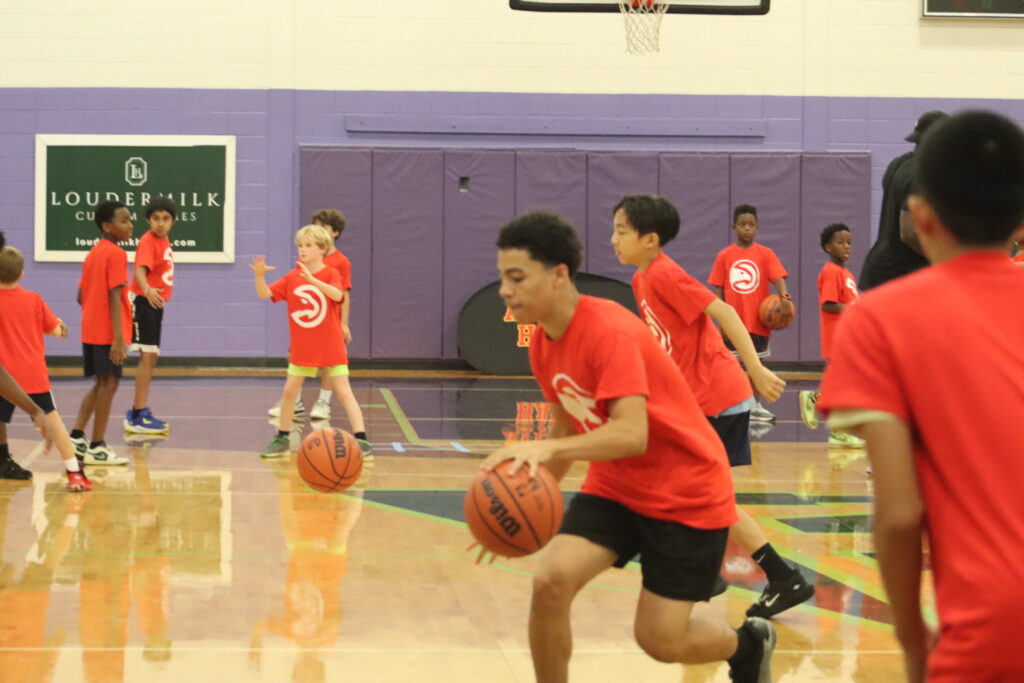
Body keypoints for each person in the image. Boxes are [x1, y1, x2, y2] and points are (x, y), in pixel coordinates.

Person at [483, 211, 776, 683]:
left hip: (688, 491)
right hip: (618, 486)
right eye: (502, 278)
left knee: (660, 641)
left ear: (559, 275)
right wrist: (523, 510)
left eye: (516, 278)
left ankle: (747, 643)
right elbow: (564, 433)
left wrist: (545, 454)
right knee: (550, 581)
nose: (504, 290)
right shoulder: (543, 344)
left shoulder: (608, 330)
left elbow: (630, 433)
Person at [818, 111, 1024, 683]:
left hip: (997, 630)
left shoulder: (880, 321)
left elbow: (901, 513)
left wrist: (912, 639)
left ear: (920, 214)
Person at [612, 195, 814, 619]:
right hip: (696, 401)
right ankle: (763, 576)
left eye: (621, 231)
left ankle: (739, 574)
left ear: (650, 240)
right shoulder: (639, 280)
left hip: (718, 398)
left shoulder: (665, 274)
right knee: (699, 494)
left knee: (690, 491)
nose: (613, 239)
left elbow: (722, 310)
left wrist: (755, 368)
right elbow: (665, 346)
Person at [252, 224, 369, 457]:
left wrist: (312, 280)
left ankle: (362, 440)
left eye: (308, 245)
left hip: (330, 344)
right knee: (289, 392)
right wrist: (259, 276)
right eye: (300, 246)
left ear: (323, 249)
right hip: (304, 346)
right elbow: (265, 293)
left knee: (344, 392)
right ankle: (283, 437)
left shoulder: (331, 274)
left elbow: (337, 295)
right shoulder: (292, 277)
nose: (302, 250)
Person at [0, 235, 90, 490]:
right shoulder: (33, 299)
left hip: (4, 377)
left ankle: (2, 458)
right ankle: (74, 471)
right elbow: (56, 330)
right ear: (22, 274)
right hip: (33, 374)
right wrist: (60, 327)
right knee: (53, 420)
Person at [708, 204, 790, 422]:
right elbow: (718, 290)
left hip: (758, 323)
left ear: (757, 228)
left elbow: (779, 278)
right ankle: (729, 406)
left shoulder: (765, 254)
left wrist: (785, 299)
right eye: (742, 225)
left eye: (751, 225)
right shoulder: (724, 256)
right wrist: (722, 321)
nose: (747, 229)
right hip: (733, 323)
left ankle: (754, 407)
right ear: (734, 227)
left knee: (757, 365)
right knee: (730, 366)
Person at [859, 110, 950, 291]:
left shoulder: (898, 164)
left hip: (881, 268)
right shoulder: (923, 174)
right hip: (901, 274)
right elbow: (908, 233)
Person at [798, 224, 864, 449]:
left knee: (847, 384)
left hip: (851, 337)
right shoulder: (830, 271)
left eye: (849, 242)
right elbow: (828, 305)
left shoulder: (847, 274)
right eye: (840, 242)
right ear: (828, 247)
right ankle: (815, 401)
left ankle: (838, 431)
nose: (846, 246)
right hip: (838, 337)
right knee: (846, 384)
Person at [124, 197, 176, 434]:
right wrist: (145, 288)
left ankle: (140, 410)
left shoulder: (164, 240)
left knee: (151, 357)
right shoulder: (148, 241)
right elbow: (140, 270)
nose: (160, 223)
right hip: (144, 302)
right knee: (147, 357)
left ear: (172, 221)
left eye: (165, 218)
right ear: (148, 220)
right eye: (156, 218)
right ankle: (137, 415)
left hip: (155, 302)